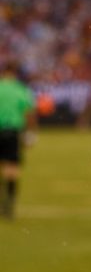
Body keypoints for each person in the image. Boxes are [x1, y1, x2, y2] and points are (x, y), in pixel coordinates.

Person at [0, 61, 36, 220]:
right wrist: (31, 134)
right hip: (13, 132)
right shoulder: (21, 89)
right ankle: (9, 205)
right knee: (12, 169)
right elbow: (29, 113)